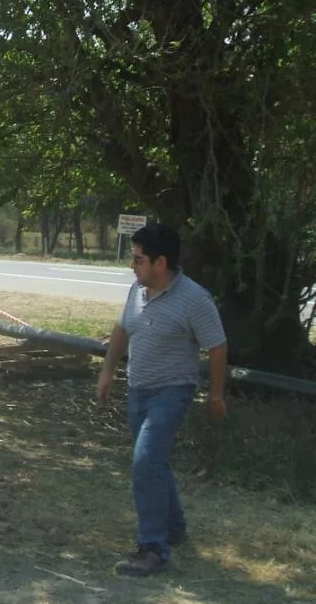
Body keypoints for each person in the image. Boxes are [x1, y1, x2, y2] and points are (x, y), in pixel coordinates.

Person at [97, 222, 228, 576]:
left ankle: (153, 547)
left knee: (145, 462)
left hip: (173, 391)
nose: (132, 265)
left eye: (138, 259)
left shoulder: (194, 299)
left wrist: (215, 395)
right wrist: (108, 371)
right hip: (138, 387)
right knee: (153, 462)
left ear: (161, 262)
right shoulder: (137, 290)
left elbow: (216, 347)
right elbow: (122, 329)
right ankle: (174, 528)